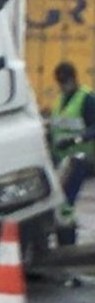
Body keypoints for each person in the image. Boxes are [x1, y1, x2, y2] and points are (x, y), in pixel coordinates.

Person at [50, 61, 95, 237]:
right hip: (62, 159)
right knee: (58, 197)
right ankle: (65, 229)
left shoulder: (87, 99)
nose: (63, 86)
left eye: (65, 82)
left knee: (66, 199)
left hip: (81, 157)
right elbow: (57, 126)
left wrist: (75, 140)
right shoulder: (61, 99)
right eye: (60, 83)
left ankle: (67, 235)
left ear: (73, 79)